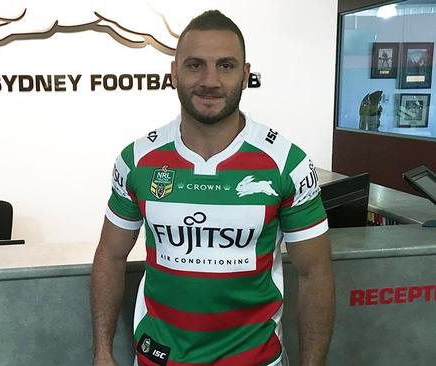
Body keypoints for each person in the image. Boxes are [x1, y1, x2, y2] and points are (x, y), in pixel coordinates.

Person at [90, 9, 335, 366]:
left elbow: (316, 274)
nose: (210, 80)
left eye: (225, 65)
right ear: (174, 73)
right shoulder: (137, 159)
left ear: (245, 74)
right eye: (194, 65)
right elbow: (110, 257)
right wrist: (101, 352)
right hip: (160, 358)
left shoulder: (287, 163)